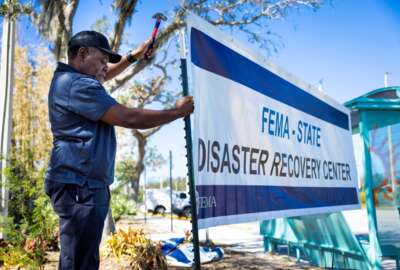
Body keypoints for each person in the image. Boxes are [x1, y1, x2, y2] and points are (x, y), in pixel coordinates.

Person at [44, 30, 194, 270]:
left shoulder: (76, 80)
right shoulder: (75, 84)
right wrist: (176, 112)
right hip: (79, 187)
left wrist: (134, 56)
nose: (106, 67)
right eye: (102, 60)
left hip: (84, 184)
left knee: (85, 259)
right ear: (82, 54)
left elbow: (104, 74)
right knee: (79, 262)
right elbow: (129, 117)